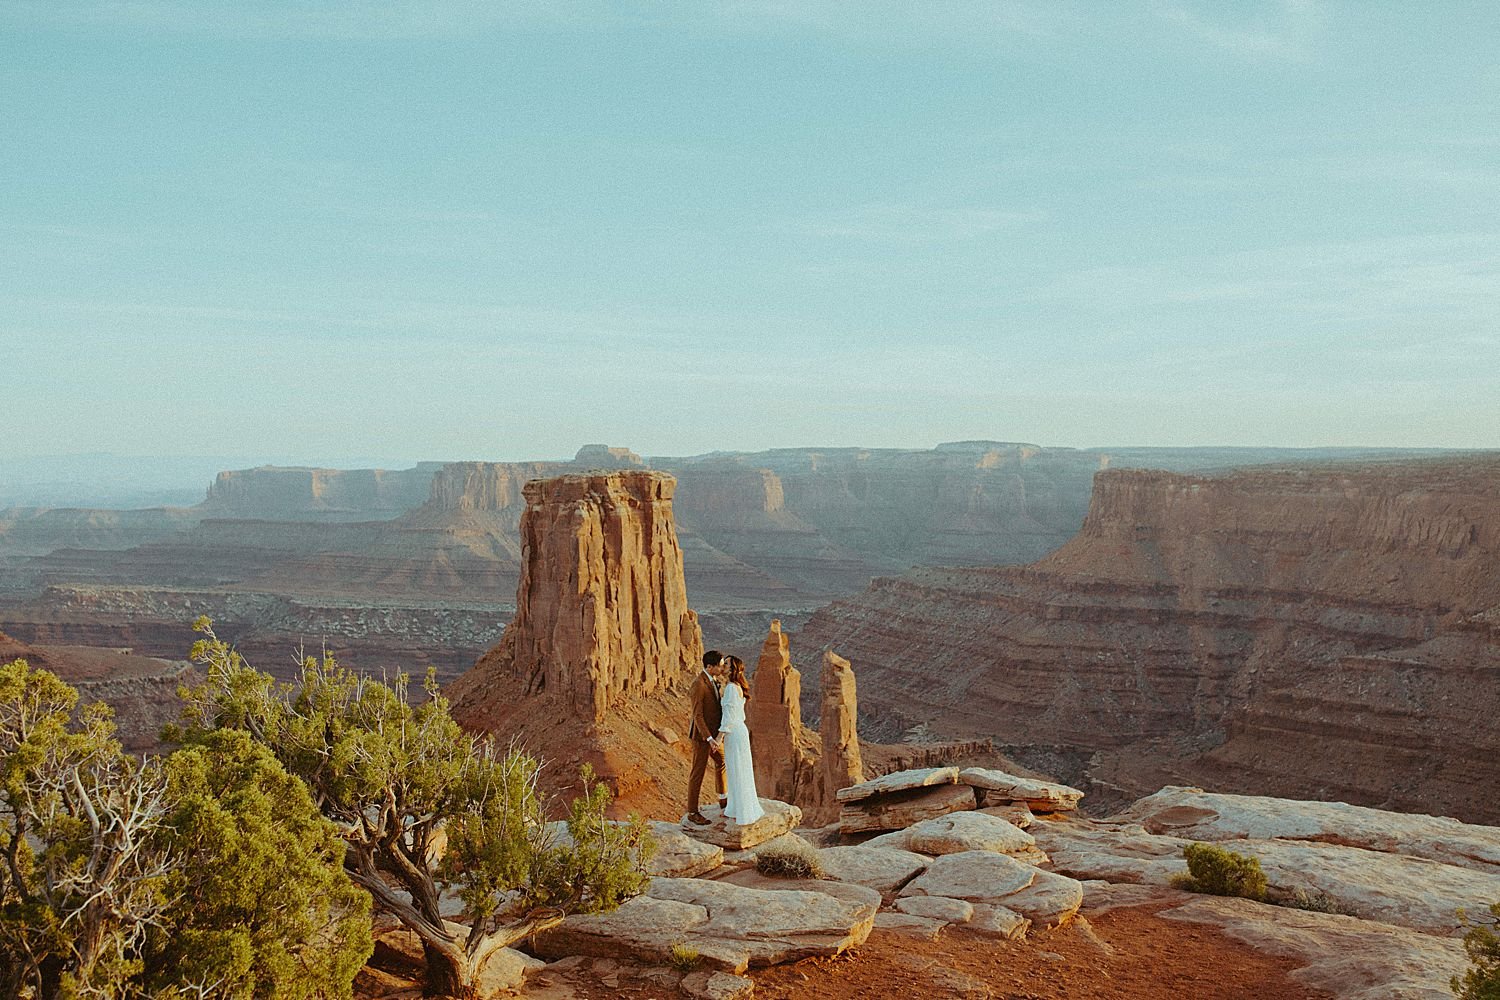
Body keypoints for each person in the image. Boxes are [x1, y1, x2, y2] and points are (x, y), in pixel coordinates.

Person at [717, 654, 765, 825]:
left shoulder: (730, 688)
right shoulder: (737, 686)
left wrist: (718, 738)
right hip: (739, 731)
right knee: (739, 770)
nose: (723, 665)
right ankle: (737, 808)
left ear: (732, 668)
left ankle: (741, 811)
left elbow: (728, 716)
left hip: (734, 733)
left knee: (736, 770)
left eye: (727, 663)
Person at [686, 649, 727, 825]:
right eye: (721, 665)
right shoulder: (699, 684)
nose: (723, 667)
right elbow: (698, 716)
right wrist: (709, 739)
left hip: (713, 737)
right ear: (710, 667)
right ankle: (693, 812)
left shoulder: (714, 680)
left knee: (721, 762)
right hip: (702, 738)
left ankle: (723, 798)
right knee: (698, 772)